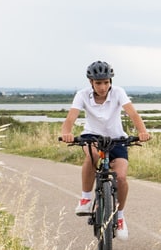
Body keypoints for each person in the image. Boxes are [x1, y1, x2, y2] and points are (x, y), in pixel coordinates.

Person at [59, 60, 153, 239]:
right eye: (98, 83)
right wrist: (66, 132)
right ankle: (86, 198)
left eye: (106, 82)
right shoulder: (82, 95)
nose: (103, 87)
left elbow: (132, 113)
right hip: (92, 136)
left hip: (117, 139)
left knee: (122, 178)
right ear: (91, 83)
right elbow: (71, 117)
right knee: (92, 156)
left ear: (111, 81)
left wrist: (142, 131)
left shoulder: (118, 93)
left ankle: (119, 216)